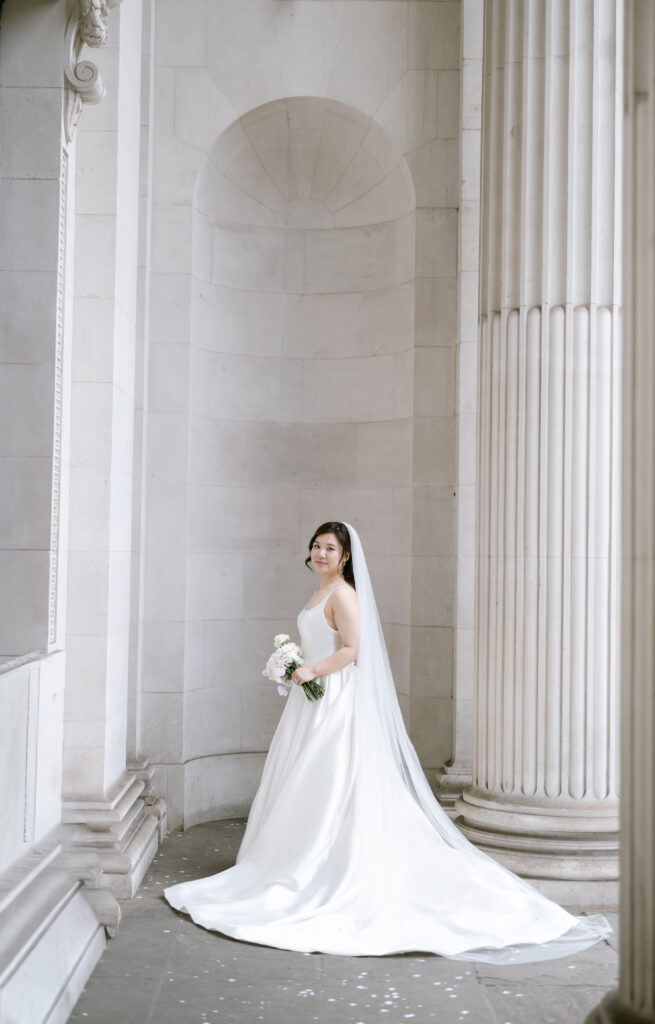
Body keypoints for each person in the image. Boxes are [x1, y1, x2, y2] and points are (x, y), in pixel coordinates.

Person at [164, 521, 611, 962]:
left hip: (336, 698)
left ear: (344, 557)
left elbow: (352, 649)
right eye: (316, 546)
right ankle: (296, 860)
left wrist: (311, 670)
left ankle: (329, 868)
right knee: (309, 781)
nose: (321, 554)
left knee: (333, 777)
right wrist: (293, 662)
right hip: (311, 700)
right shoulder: (321, 591)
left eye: (330, 549)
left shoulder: (343, 594)